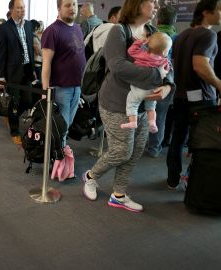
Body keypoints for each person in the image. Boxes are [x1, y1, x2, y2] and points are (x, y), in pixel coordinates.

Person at [82, 0, 174, 212]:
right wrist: (155, 76)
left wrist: (168, 85)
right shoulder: (119, 31)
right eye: (152, 2)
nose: (157, 6)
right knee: (122, 150)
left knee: (135, 151)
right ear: (138, 4)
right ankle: (91, 176)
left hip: (142, 105)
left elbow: (166, 62)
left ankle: (119, 194)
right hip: (116, 102)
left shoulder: (152, 31)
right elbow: (118, 67)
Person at [167, 0, 221, 189]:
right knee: (202, 140)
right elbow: (200, 65)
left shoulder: (181, 35)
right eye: (219, 10)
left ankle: (172, 179)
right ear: (207, 12)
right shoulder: (208, 34)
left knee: (178, 138)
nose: (220, 14)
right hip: (202, 99)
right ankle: (194, 180)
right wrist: (219, 84)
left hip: (181, 95)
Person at [41, 0, 86, 146]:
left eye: (74, 4)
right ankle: (57, 160)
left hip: (76, 88)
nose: (72, 8)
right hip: (60, 89)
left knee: (66, 127)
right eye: (67, 5)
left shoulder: (78, 28)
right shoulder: (52, 31)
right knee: (60, 128)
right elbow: (46, 63)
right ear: (59, 8)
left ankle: (60, 156)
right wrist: (45, 91)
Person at [0, 0, 35, 145]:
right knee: (14, 102)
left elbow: (29, 47)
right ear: (11, 9)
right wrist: (1, 76)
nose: (22, 10)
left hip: (27, 70)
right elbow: (1, 54)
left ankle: (11, 116)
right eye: (19, 8)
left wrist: (32, 69)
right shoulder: (4, 28)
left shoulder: (28, 25)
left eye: (24, 7)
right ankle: (14, 130)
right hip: (12, 72)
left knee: (28, 100)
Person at [121, 32, 172, 134]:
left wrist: (141, 41)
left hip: (139, 89)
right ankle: (152, 123)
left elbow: (131, 51)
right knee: (151, 107)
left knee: (132, 103)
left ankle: (133, 122)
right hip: (153, 90)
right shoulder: (163, 61)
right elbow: (167, 71)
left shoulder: (142, 55)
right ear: (164, 52)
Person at [146, 5, 178, 158]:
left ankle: (144, 145)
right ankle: (154, 148)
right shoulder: (179, 38)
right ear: (175, 21)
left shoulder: (151, 36)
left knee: (145, 114)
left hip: (149, 80)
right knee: (160, 117)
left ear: (158, 20)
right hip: (169, 83)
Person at [31, 19, 43, 84]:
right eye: (38, 28)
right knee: (39, 82)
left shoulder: (30, 36)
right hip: (37, 63)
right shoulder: (34, 38)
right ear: (35, 28)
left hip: (35, 62)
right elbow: (39, 51)